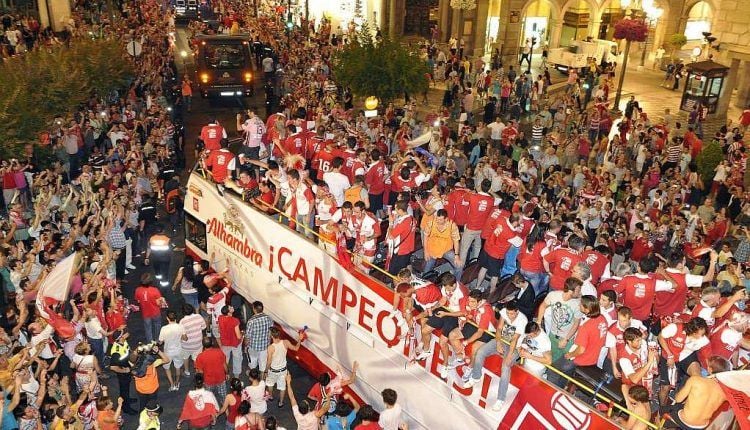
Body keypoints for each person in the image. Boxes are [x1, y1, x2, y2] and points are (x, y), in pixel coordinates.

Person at [464, 301, 528, 411]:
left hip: (514, 346)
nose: (509, 315)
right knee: (480, 352)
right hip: (501, 340)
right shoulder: (504, 312)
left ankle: (500, 399)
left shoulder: (522, 320)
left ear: (517, 312)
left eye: (511, 313)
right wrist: (498, 343)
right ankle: (476, 376)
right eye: (508, 313)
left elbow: (514, 339)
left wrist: (509, 356)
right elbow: (499, 329)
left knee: (505, 367)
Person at [548, 295, 608, 389]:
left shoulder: (586, 327)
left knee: (553, 370)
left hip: (580, 359)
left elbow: (581, 350)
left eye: (581, 305)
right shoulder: (602, 319)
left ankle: (552, 389)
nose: (579, 305)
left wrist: (570, 355)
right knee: (565, 374)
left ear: (587, 309)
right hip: (593, 358)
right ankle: (563, 387)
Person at [663, 356, 730, 430]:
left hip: (685, 421)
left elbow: (678, 399)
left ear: (710, 369)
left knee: (662, 410)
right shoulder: (725, 392)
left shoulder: (695, 380)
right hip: (702, 425)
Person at [265, 326, 301, 408]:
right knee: (282, 387)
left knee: (270, 384)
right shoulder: (285, 342)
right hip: (283, 370)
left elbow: (269, 361)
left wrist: (266, 371)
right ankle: (281, 402)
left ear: (271, 336)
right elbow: (296, 348)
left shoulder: (271, 347)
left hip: (273, 370)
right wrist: (300, 339)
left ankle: (270, 396)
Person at [195, 337, 228, 405]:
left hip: (208, 381)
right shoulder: (219, 352)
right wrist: (227, 373)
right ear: (212, 343)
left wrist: (201, 383)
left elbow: (200, 372)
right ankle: (226, 410)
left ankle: (212, 410)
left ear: (203, 345)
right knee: (224, 397)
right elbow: (225, 365)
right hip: (221, 379)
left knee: (209, 398)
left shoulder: (200, 357)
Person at [135, 273, 166, 343]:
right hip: (155, 312)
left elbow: (138, 300)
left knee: (147, 328)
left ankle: (150, 342)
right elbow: (158, 302)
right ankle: (157, 339)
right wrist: (162, 301)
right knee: (157, 325)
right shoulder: (155, 290)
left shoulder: (138, 290)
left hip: (145, 312)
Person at [158, 311, 185, 392]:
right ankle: (177, 383)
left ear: (167, 318)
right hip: (178, 350)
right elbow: (185, 338)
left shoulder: (164, 329)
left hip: (168, 352)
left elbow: (160, 342)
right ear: (176, 318)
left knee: (167, 368)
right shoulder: (180, 326)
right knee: (178, 367)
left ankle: (172, 384)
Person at [244, 301, 273, 376]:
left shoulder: (251, 321)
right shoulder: (269, 318)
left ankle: (253, 378)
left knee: (252, 364)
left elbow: (247, 337)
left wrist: (245, 346)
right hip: (265, 347)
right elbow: (270, 333)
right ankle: (262, 381)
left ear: (254, 309)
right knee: (263, 365)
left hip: (253, 347)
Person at [180, 303, 207, 377]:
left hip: (186, 346)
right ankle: (197, 372)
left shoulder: (182, 321)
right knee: (196, 359)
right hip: (198, 343)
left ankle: (187, 371)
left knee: (185, 358)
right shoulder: (198, 316)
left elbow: (183, 336)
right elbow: (204, 327)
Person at [218, 305, 243, 379]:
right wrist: (242, 334)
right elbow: (238, 336)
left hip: (225, 343)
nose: (232, 307)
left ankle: (225, 374)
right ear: (229, 313)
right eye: (230, 308)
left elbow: (219, 330)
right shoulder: (235, 320)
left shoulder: (220, 318)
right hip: (235, 343)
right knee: (237, 359)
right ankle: (236, 377)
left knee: (225, 359)